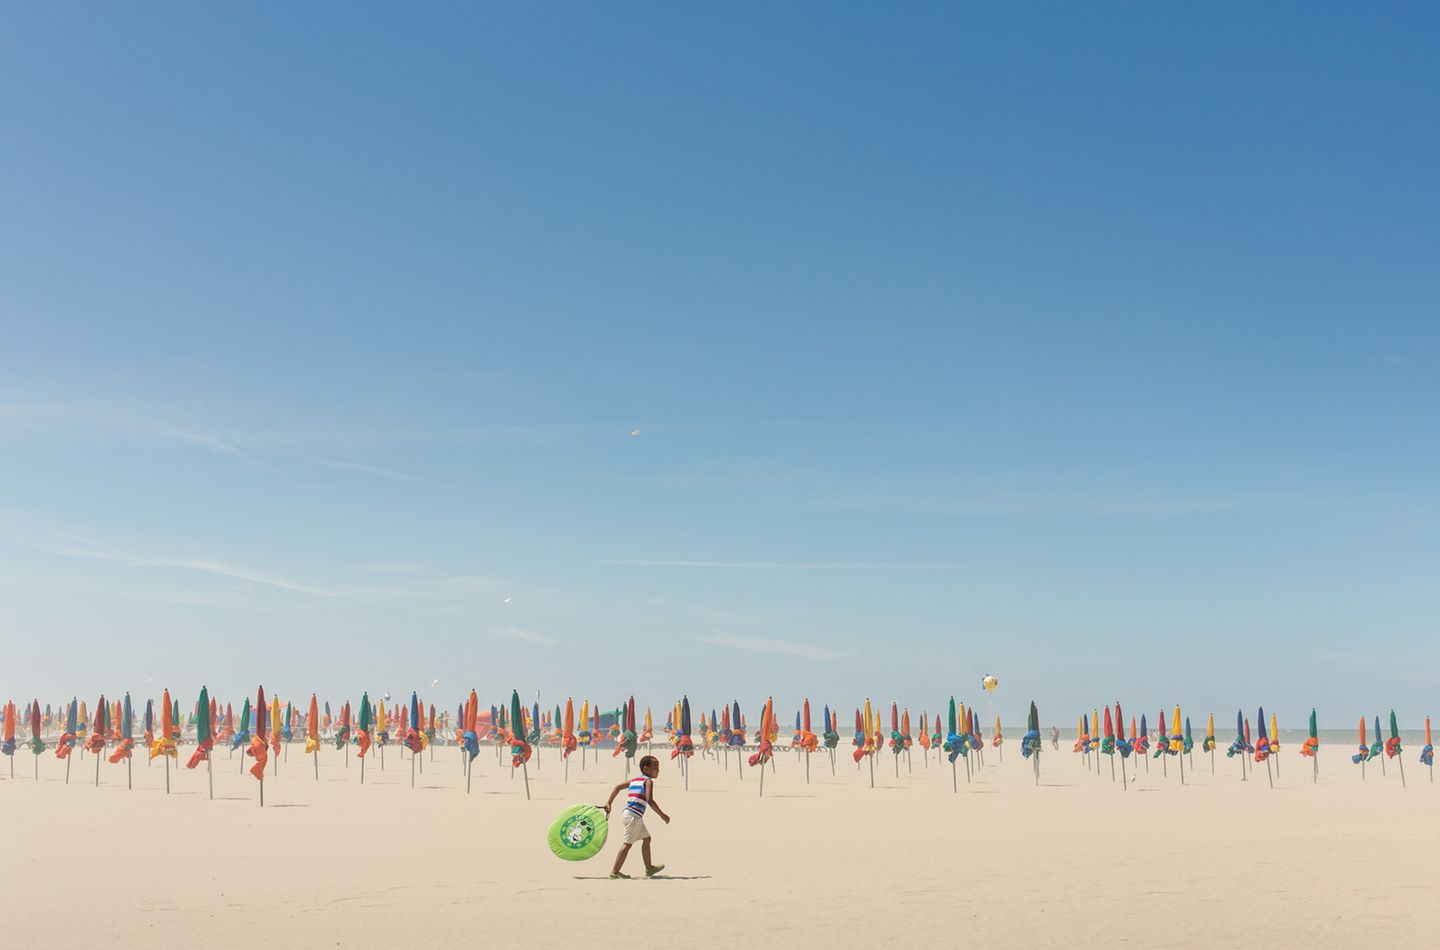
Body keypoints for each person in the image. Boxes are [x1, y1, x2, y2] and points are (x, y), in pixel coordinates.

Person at [601, 754, 670, 879]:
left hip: (629, 815)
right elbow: (649, 800)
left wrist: (609, 802)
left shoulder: (634, 780)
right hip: (633, 817)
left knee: (647, 839)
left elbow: (617, 787)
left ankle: (649, 869)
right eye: (655, 766)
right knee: (627, 844)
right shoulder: (648, 781)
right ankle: (615, 872)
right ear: (646, 768)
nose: (658, 769)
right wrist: (662, 815)